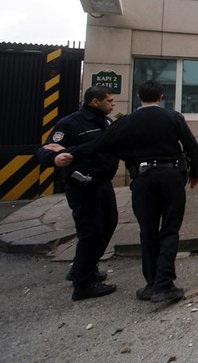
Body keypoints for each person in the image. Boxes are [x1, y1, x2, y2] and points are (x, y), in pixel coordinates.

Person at [62, 80, 198, 303]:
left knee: (147, 230)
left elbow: (98, 145)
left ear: (138, 97)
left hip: (143, 180)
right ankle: (164, 284)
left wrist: (69, 152)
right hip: (171, 178)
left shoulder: (126, 122)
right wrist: (195, 172)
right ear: (161, 96)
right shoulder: (173, 117)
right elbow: (192, 146)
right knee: (170, 229)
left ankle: (151, 284)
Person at [36, 86, 120, 301]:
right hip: (83, 186)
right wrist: (54, 159)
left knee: (108, 224)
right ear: (94, 102)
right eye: (109, 101)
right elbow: (46, 149)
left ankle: (85, 269)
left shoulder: (106, 122)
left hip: (103, 183)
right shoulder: (70, 123)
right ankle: (83, 284)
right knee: (90, 231)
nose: (113, 104)